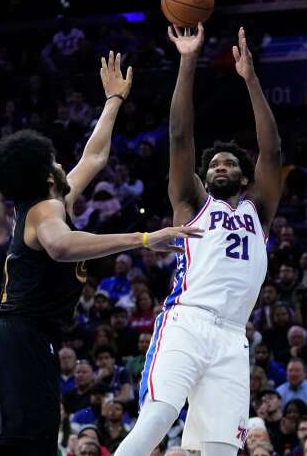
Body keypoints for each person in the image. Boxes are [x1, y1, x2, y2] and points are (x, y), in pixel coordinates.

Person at [0, 51, 202, 456]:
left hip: (20, 340)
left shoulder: (54, 201)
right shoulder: (45, 211)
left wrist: (113, 101)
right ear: (48, 176)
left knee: (29, 442)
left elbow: (94, 157)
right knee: (20, 443)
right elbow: (61, 246)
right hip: (19, 338)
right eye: (55, 161)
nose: (64, 163)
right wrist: (144, 239)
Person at [115, 24, 282, 456]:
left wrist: (251, 79)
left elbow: (273, 152)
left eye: (229, 164)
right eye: (214, 165)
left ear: (244, 178)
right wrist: (188, 59)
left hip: (232, 337)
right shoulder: (191, 202)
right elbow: (179, 137)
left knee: (221, 449)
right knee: (155, 421)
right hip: (187, 322)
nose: (220, 167)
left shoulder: (257, 211)